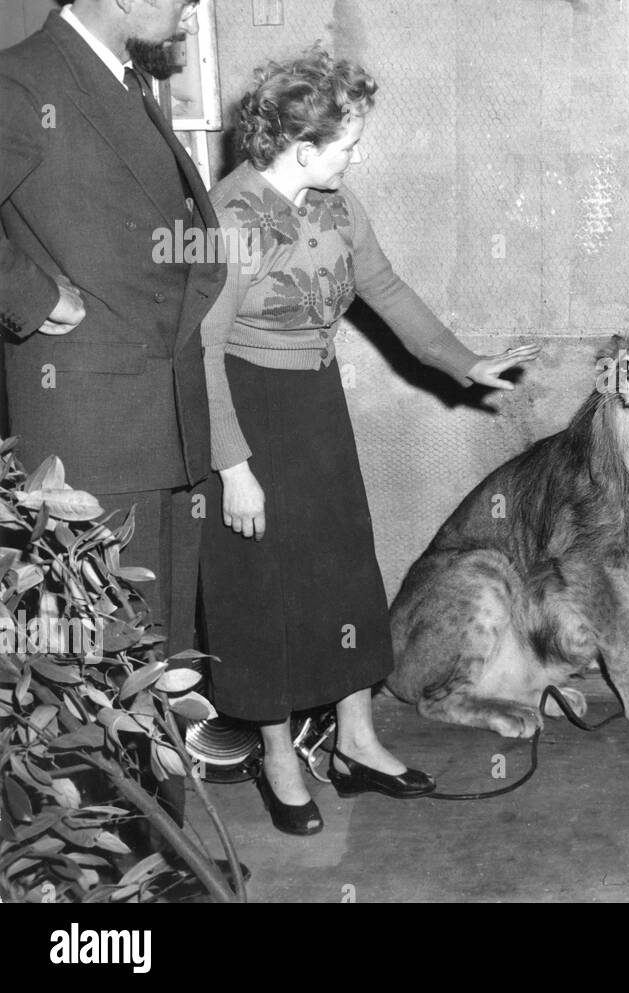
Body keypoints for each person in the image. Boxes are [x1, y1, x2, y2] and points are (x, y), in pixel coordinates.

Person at [200, 47, 540, 835]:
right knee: (264, 586)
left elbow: (385, 289)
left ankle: (356, 742)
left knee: (347, 566)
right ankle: (281, 758)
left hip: (316, 404)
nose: (358, 154)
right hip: (248, 409)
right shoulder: (228, 218)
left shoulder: (336, 204)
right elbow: (203, 351)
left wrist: (466, 360)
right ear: (302, 146)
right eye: (348, 142)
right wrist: (233, 467)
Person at [0, 0, 221, 832]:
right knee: (87, 671)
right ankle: (91, 881)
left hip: (161, 418)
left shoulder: (127, 79)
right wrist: (30, 295)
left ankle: (159, 848)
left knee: (154, 659)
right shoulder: (23, 81)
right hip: (88, 427)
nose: (195, 6)